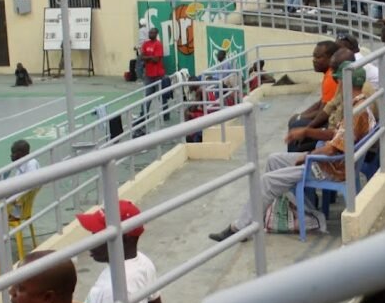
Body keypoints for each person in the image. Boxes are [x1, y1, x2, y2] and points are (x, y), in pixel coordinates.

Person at [209, 64, 373, 242]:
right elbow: (337, 136)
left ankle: (240, 227)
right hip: (333, 162)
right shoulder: (359, 104)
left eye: (338, 80)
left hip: (330, 167)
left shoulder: (354, 111)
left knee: (267, 181)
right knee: (273, 160)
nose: (337, 83)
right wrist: (306, 132)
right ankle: (263, 218)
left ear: (344, 82)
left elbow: (332, 148)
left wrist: (307, 156)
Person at [286, 40, 339, 150]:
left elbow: (323, 113)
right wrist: (301, 115)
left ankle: (294, 161)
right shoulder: (328, 74)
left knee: (296, 125)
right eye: (314, 57)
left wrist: (305, 128)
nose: (314, 60)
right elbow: (321, 102)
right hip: (327, 120)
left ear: (331, 58)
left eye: (319, 57)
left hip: (331, 124)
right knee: (296, 121)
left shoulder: (331, 78)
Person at [139, 26, 170, 123]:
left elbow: (157, 59)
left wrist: (147, 57)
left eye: (152, 33)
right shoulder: (145, 44)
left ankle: (165, 114)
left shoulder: (158, 44)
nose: (150, 34)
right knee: (147, 96)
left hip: (159, 75)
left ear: (156, 34)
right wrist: (150, 57)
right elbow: (141, 57)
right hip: (149, 75)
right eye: (149, 32)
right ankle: (143, 116)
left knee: (162, 96)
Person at [3, 139, 40, 220]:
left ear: (20, 154)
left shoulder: (31, 164)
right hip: (18, 202)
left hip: (18, 210)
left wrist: (11, 197)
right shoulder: (22, 165)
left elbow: (30, 187)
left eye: (13, 153)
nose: (11, 155)